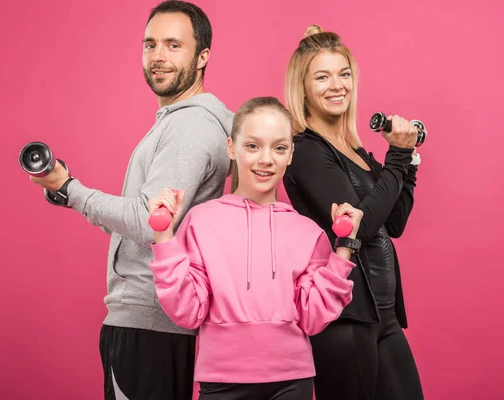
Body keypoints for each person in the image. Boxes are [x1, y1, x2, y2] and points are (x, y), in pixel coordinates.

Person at [29, 2, 233, 399]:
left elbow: (147, 220)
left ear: (202, 56)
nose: (158, 56)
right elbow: (146, 217)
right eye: (150, 44)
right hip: (155, 322)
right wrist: (67, 192)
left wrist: (71, 188)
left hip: (148, 321)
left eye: (174, 45)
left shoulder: (190, 126)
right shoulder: (183, 121)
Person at [147, 96, 364, 400]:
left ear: (290, 154)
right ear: (231, 148)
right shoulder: (200, 221)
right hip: (221, 381)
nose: (266, 159)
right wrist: (164, 237)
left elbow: (314, 318)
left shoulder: (308, 232)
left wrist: (343, 249)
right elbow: (187, 311)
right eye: (252, 146)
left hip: (292, 381)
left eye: (278, 147)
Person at [283, 25, 424, 400]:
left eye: (344, 74)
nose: (337, 85)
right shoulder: (306, 151)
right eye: (322, 76)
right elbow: (357, 229)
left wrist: (407, 161)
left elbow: (394, 222)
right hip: (344, 318)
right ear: (303, 88)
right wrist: (397, 156)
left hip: (383, 313)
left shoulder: (355, 151)